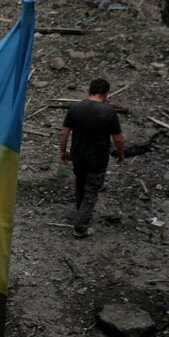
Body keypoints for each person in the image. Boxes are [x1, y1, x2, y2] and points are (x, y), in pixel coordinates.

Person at [59, 79, 125, 238]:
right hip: (97, 159)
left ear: (89, 91)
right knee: (91, 191)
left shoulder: (75, 108)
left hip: (78, 157)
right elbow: (118, 138)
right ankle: (80, 227)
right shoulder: (109, 112)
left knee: (80, 184)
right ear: (106, 93)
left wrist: (63, 151)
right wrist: (120, 153)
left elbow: (63, 133)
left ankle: (80, 211)